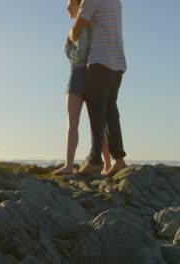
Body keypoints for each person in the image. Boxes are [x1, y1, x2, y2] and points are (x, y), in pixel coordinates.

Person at [67, 0, 128, 176]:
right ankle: (119, 159)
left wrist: (69, 37)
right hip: (118, 63)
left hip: (100, 62)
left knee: (96, 111)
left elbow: (77, 30)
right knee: (110, 110)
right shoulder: (115, 2)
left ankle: (95, 160)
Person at [54, 0, 111, 176]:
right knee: (95, 123)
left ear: (80, 6)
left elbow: (79, 54)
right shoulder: (88, 26)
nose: (67, 8)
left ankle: (71, 165)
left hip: (79, 74)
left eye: (70, 4)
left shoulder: (81, 27)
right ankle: (106, 164)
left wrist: (68, 46)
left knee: (75, 124)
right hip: (87, 74)